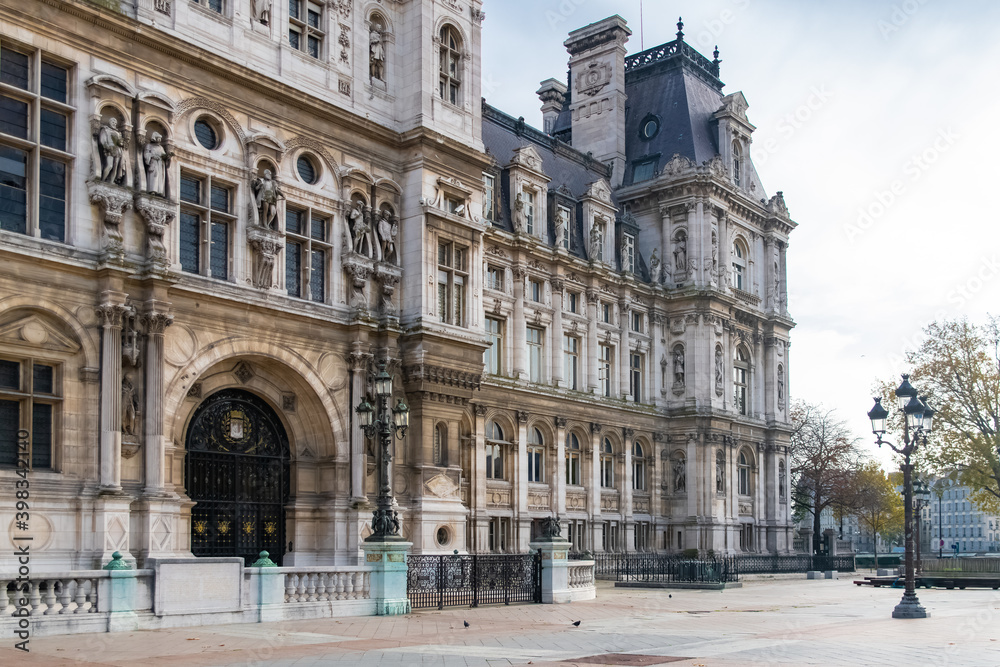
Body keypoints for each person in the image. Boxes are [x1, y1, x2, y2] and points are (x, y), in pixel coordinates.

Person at [143, 132, 168, 196]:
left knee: (159, 177)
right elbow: (146, 154)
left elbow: (163, 155)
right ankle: (152, 190)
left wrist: (167, 157)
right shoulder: (149, 146)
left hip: (160, 164)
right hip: (153, 163)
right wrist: (152, 156)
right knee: (154, 176)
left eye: (160, 139)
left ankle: (159, 191)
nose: (159, 140)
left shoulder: (161, 147)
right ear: (155, 138)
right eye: (158, 138)